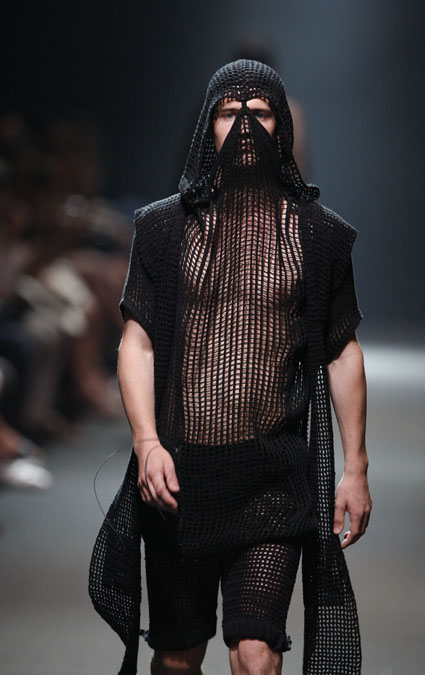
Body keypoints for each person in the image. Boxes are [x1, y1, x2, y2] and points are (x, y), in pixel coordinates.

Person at [89, 59, 372, 675]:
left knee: (256, 654)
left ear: (282, 126)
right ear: (207, 126)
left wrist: (355, 466)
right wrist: (146, 442)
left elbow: (341, 349)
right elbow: (137, 341)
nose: (244, 125)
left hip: (273, 481)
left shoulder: (321, 237)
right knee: (178, 657)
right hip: (180, 477)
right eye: (227, 112)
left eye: (260, 112)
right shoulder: (162, 228)